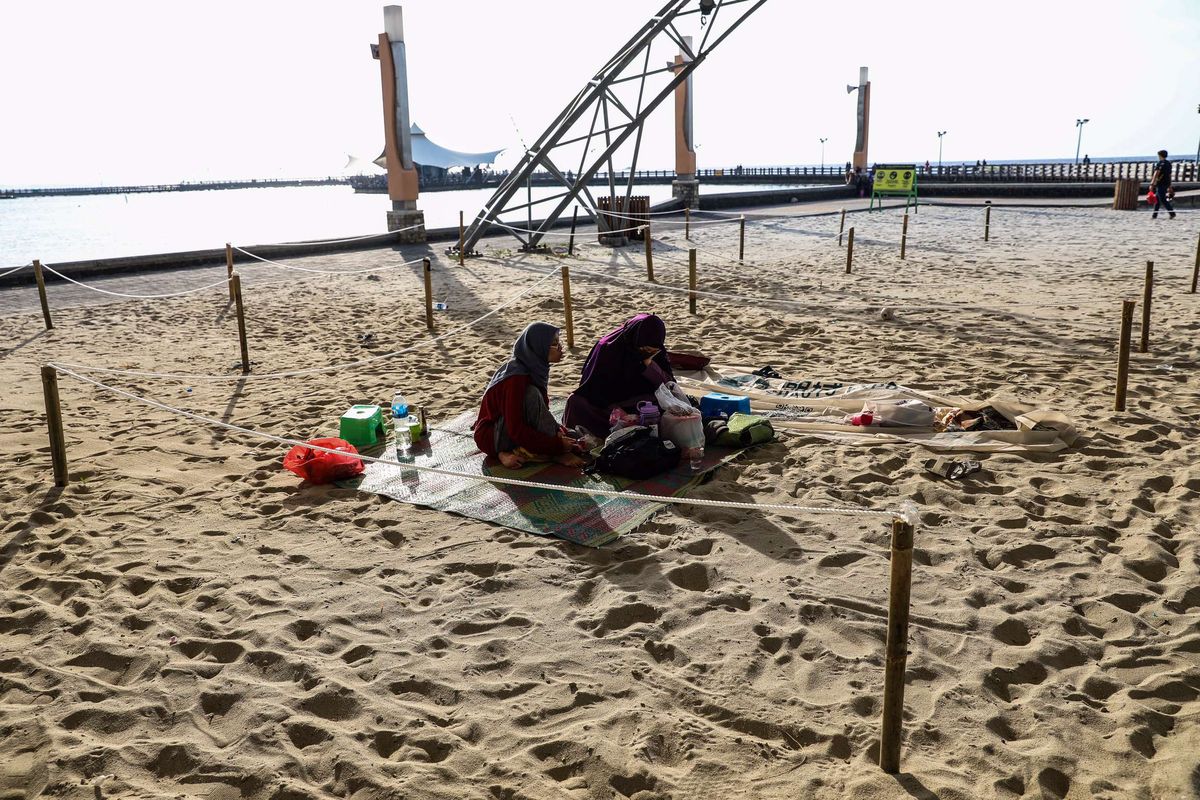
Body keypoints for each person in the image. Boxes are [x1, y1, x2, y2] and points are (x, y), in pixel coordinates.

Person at [474, 322, 585, 469]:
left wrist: (556, 433)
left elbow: (539, 412)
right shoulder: (516, 377)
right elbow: (516, 428)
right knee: (531, 394)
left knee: (574, 437)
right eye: (554, 344)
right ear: (538, 347)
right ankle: (509, 452)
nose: (560, 348)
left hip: (508, 428)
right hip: (491, 436)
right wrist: (556, 446)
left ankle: (516, 451)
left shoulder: (534, 367)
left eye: (559, 342)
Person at [564, 313, 675, 437]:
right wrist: (616, 409)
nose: (649, 353)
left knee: (669, 410)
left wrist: (649, 364)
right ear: (635, 339)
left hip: (642, 403)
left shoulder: (656, 346)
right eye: (646, 349)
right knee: (576, 403)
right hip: (608, 404)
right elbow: (593, 388)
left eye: (654, 351)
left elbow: (668, 385)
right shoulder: (608, 347)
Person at [1150, 149, 1176, 219]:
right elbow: (1169, 175)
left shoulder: (1160, 163)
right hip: (1166, 183)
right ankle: (1154, 215)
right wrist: (1170, 186)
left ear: (1160, 155)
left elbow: (1156, 173)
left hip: (1160, 183)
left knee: (1162, 199)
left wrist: (1152, 183)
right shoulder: (1168, 163)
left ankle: (1172, 213)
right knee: (1157, 200)